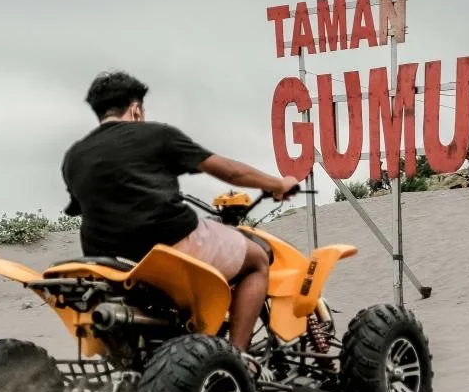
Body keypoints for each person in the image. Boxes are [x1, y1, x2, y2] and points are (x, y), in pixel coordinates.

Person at [61, 71, 299, 370]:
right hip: (168, 241)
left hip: (106, 257)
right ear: (135, 109)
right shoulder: (158, 135)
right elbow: (229, 171)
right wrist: (278, 184)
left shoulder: (74, 156)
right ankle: (237, 360)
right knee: (257, 260)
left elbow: (78, 206)